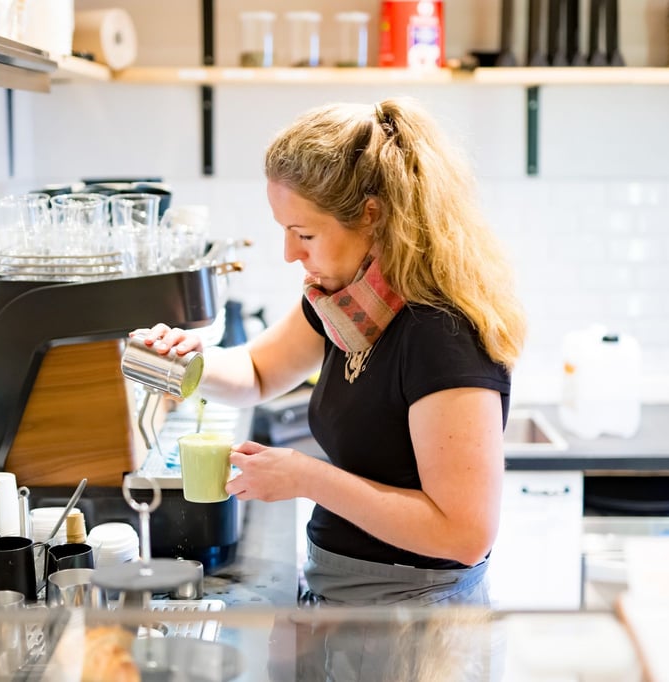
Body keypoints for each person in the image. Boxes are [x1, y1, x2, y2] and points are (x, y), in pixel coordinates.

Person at [137, 97, 525, 679]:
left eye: (303, 233)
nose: (290, 253)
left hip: (417, 633)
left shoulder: (441, 335)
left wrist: (305, 478)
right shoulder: (345, 304)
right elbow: (260, 373)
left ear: (371, 215)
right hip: (347, 606)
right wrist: (187, 362)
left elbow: (464, 534)